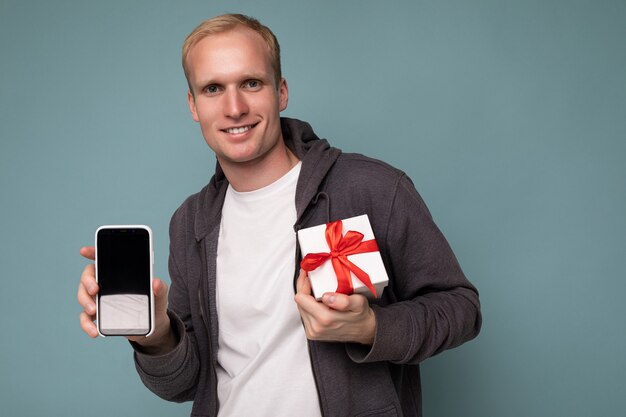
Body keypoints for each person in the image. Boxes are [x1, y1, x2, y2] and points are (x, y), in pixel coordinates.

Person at [77, 13, 481, 417]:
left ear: (281, 91)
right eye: (213, 88)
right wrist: (154, 332)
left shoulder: (370, 187)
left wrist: (371, 329)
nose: (235, 108)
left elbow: (462, 309)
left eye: (251, 83)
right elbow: (185, 383)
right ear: (193, 105)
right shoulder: (190, 222)